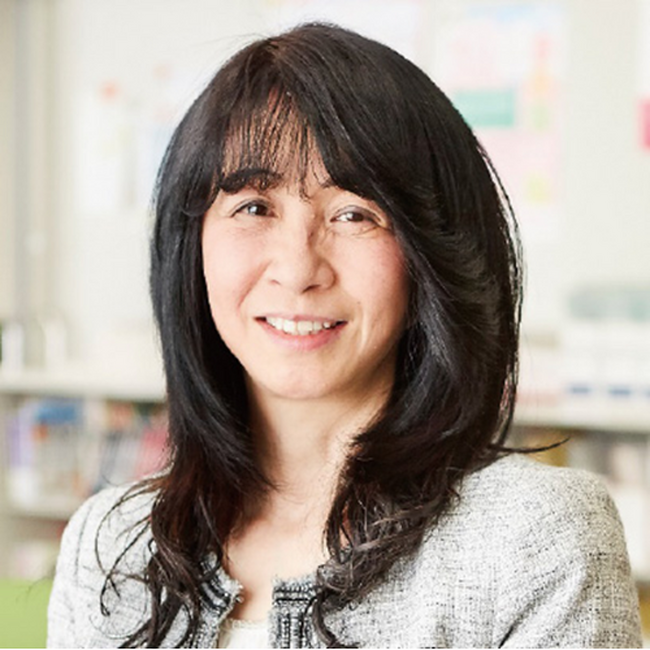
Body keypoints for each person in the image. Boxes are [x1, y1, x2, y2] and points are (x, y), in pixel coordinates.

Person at [47, 23, 641, 648]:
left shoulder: (532, 539)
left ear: (431, 255)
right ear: (190, 245)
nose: (298, 269)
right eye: (254, 207)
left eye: (354, 214)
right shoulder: (111, 548)